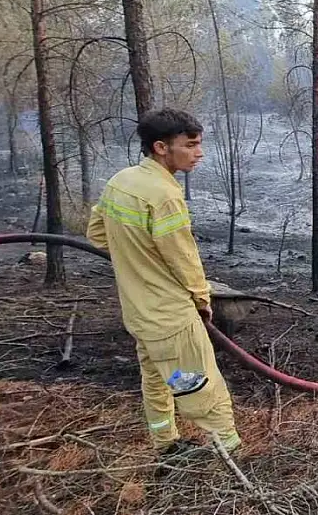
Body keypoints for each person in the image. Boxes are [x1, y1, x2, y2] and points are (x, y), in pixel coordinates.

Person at [86, 108, 240, 459]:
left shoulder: (120, 181)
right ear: (160, 147)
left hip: (139, 314)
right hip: (170, 318)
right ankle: (231, 462)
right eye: (190, 145)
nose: (199, 152)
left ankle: (166, 445)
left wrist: (136, 258)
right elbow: (184, 259)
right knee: (200, 388)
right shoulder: (165, 196)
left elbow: (97, 235)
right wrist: (203, 300)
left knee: (157, 380)